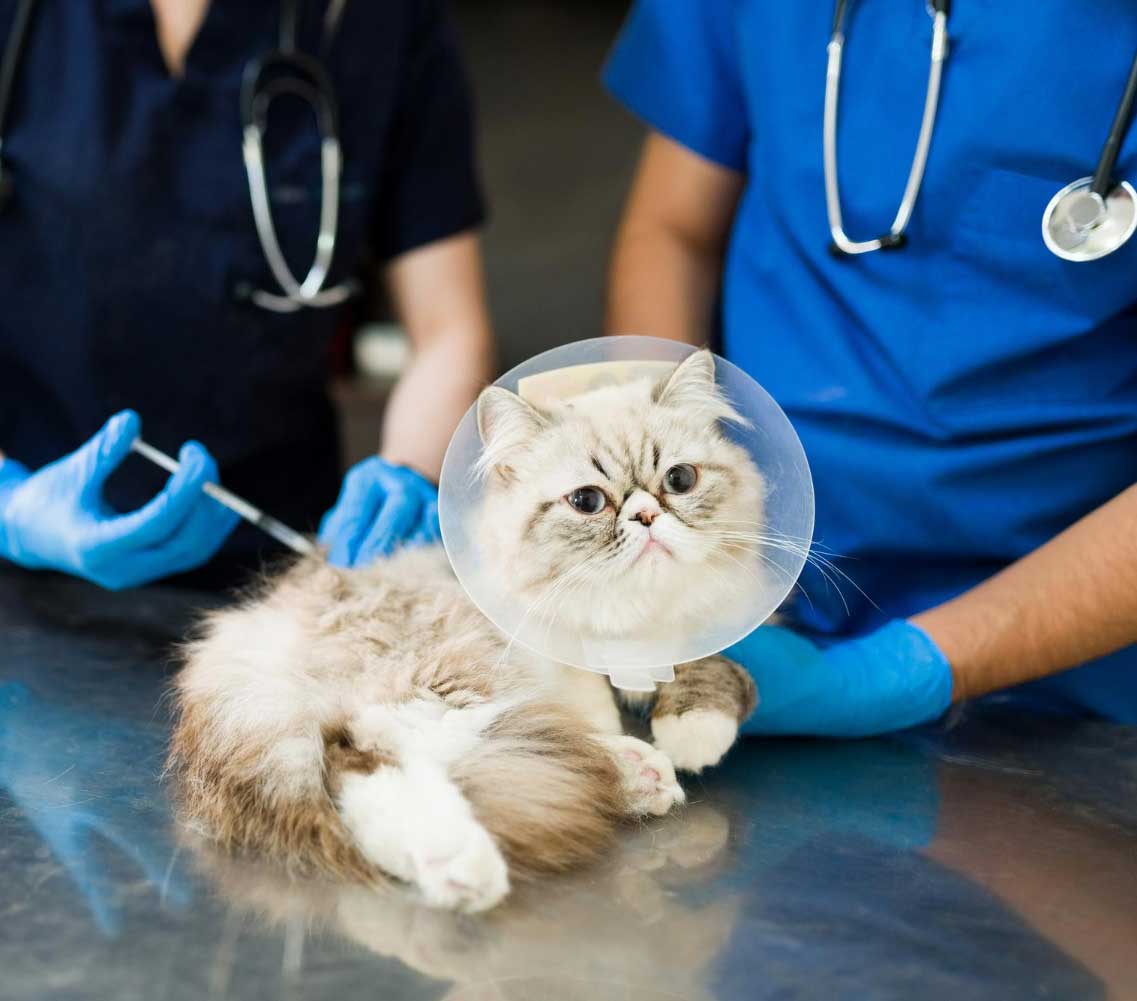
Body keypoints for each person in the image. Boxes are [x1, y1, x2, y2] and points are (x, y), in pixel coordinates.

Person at [602, 1, 1137, 732]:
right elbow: (674, 231)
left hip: (1073, 661)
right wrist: (656, 498)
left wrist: (897, 672)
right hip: (744, 588)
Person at [0, 0, 493, 589]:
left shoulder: (377, 21)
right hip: (25, 558)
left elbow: (448, 331)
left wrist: (414, 470)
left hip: (287, 562)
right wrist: (13, 509)